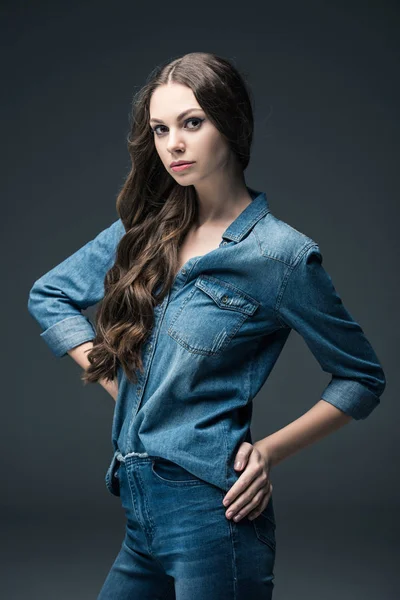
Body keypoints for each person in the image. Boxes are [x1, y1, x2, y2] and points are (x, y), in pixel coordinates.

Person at [27, 52, 386, 599]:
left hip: (212, 516)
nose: (173, 143)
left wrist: (268, 451)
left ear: (231, 123)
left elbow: (361, 377)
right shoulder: (145, 228)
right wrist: (125, 385)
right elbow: (49, 295)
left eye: (192, 123)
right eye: (160, 129)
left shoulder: (280, 256)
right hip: (138, 506)